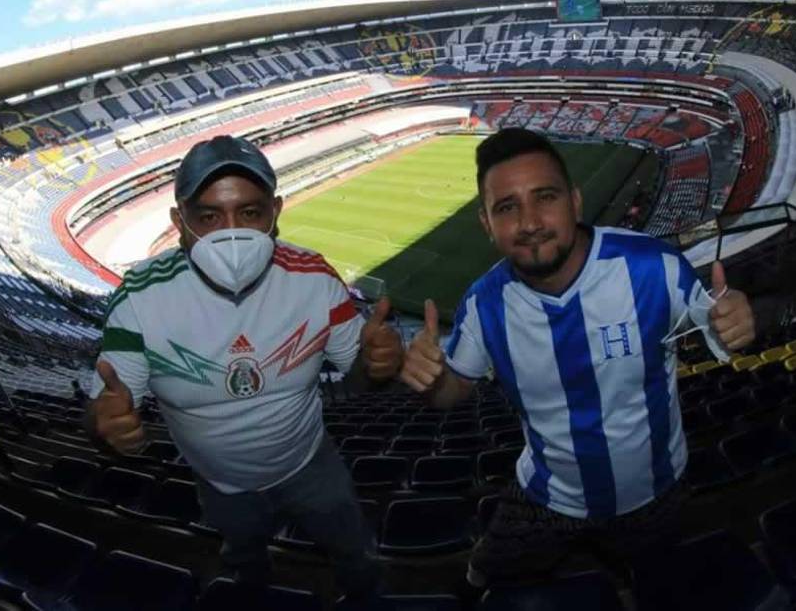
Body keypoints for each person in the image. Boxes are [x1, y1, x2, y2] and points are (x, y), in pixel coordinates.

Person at [399, 128, 756, 588]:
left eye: (545, 197)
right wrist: (431, 382)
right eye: (507, 207)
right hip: (548, 498)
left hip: (657, 491)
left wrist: (736, 321)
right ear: (486, 223)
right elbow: (454, 391)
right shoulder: (483, 305)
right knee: (482, 574)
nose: (529, 222)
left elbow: (720, 325)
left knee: (659, 582)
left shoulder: (654, 267)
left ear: (575, 201)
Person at [85, 135, 402, 600]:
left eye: (249, 213)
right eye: (209, 217)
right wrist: (105, 425)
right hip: (221, 485)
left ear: (275, 211)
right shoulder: (139, 300)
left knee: (355, 552)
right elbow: (103, 411)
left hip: (312, 465)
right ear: (179, 221)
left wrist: (377, 366)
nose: (231, 234)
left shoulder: (314, 279)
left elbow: (358, 377)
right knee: (246, 561)